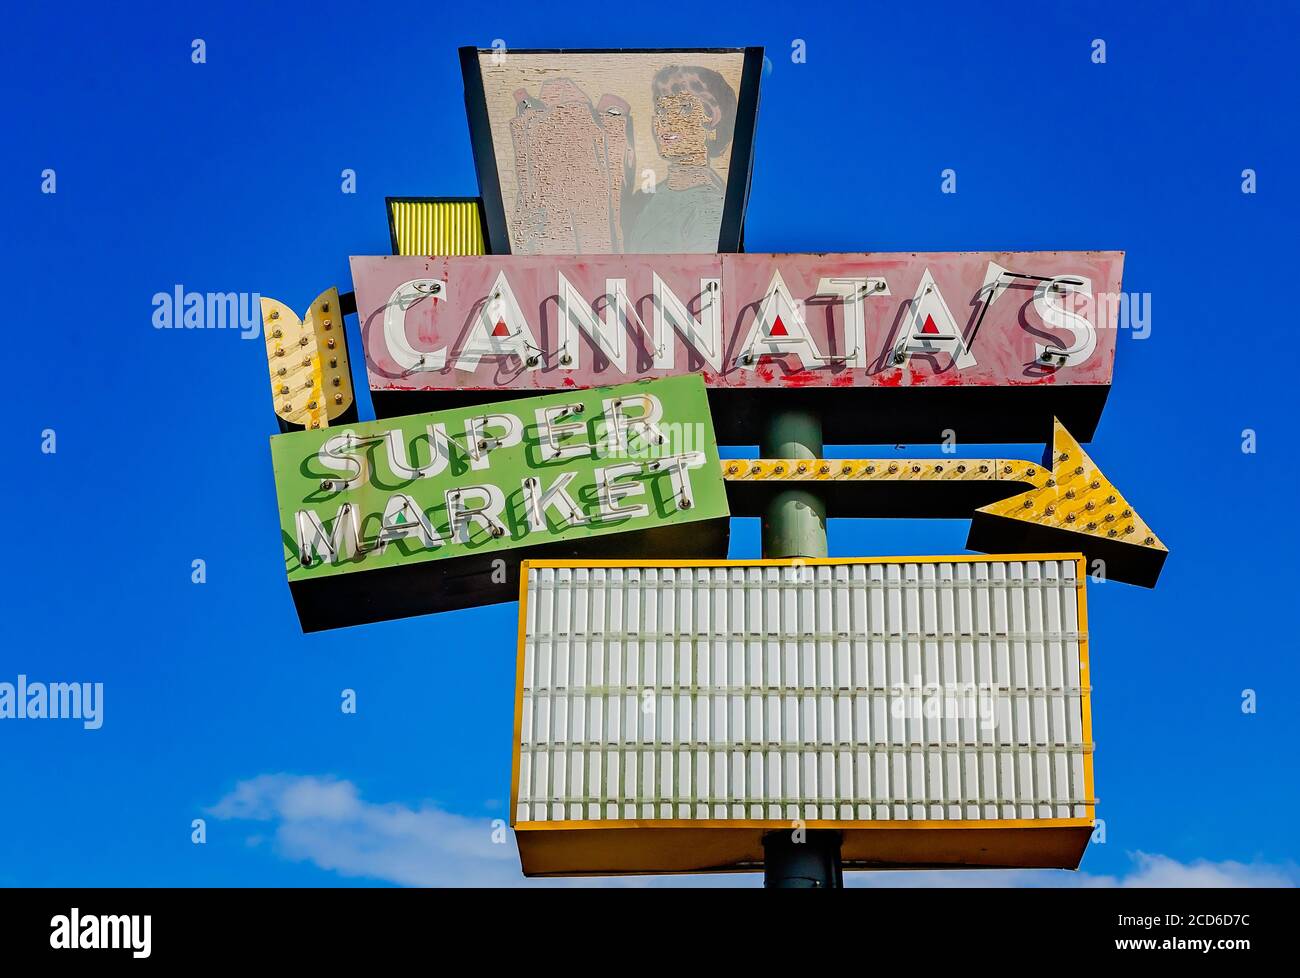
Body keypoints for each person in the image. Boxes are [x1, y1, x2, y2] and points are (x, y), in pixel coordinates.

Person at [626, 65, 737, 253]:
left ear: (712, 118)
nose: (666, 120)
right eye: (661, 110)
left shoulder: (711, 208)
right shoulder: (645, 198)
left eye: (683, 109)